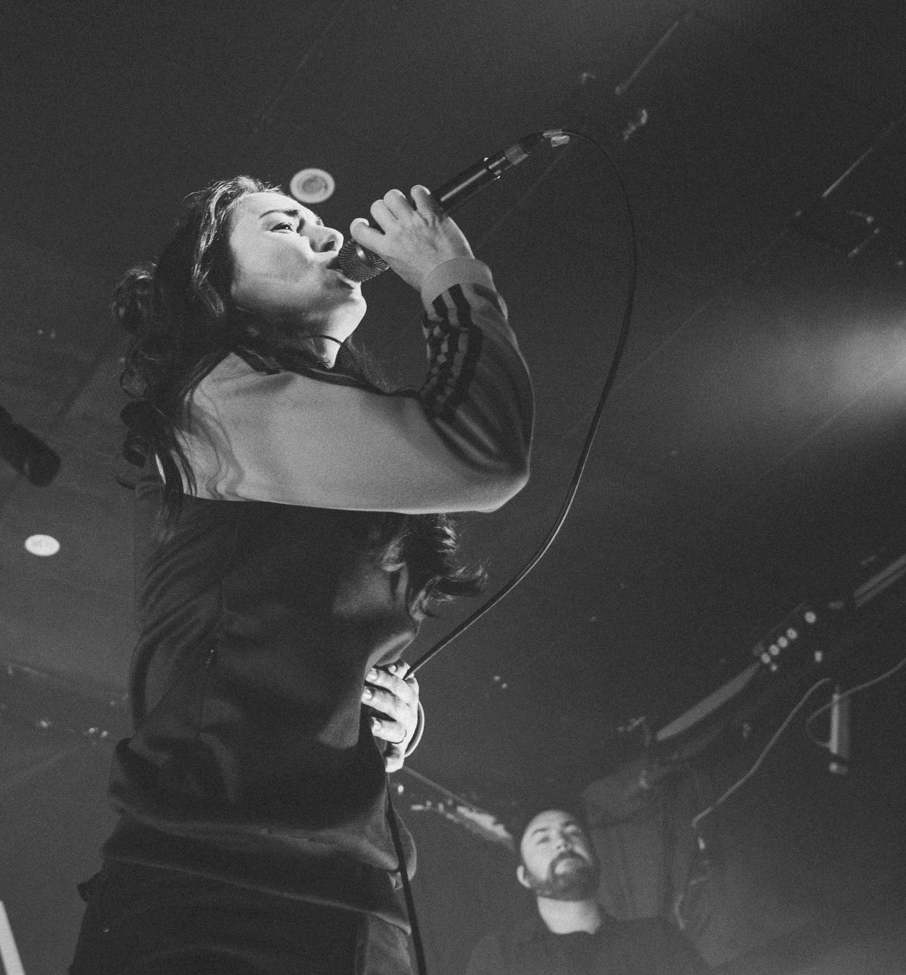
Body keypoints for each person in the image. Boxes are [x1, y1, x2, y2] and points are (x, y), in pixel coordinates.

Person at [69, 176, 533, 974]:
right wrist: (446, 271)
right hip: (208, 882)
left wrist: (384, 709)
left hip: (353, 883)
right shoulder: (213, 399)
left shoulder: (327, 430)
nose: (322, 233)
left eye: (316, 220)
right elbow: (482, 450)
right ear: (217, 287)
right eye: (284, 223)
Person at [464, 808, 711, 975]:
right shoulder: (499, 956)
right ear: (524, 877)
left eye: (573, 832)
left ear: (595, 857)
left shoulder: (658, 940)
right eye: (542, 839)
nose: (562, 842)